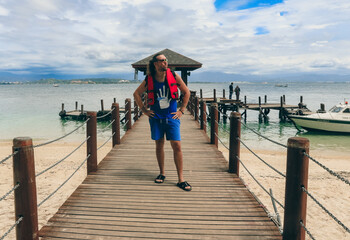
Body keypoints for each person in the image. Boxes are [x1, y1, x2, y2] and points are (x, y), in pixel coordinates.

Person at [133, 53, 192, 191]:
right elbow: (136, 93)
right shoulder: (149, 79)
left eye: (166, 60)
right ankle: (162, 173)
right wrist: (144, 110)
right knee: (159, 145)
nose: (165, 63)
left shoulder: (174, 76)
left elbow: (186, 92)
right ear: (155, 64)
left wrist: (181, 110)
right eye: (161, 61)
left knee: (176, 145)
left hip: (172, 117)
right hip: (156, 117)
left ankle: (181, 179)